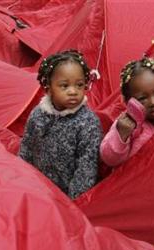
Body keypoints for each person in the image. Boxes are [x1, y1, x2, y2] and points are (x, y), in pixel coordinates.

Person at [19, 50, 102, 199]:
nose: (73, 91)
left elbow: (86, 169)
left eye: (79, 85)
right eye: (64, 86)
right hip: (35, 191)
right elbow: (26, 150)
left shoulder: (88, 123)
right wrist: (21, 181)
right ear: (48, 87)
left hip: (65, 200)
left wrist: (72, 203)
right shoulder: (37, 115)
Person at [100, 57, 154, 167]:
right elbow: (109, 159)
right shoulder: (129, 123)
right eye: (142, 98)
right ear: (127, 102)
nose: (153, 102)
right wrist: (121, 134)